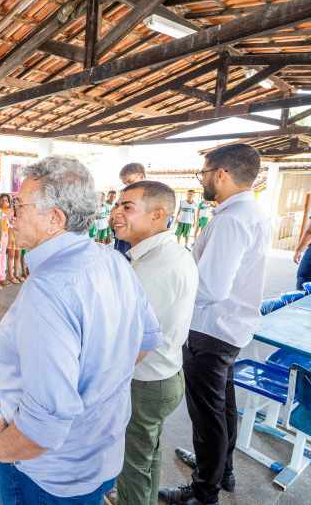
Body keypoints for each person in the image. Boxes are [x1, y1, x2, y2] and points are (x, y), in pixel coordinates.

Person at [0, 156, 162, 505]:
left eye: (19, 206)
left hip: (49, 476)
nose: (11, 215)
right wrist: (99, 385)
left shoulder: (48, 289)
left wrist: (1, 447)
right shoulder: (112, 260)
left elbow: (42, 428)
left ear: (55, 219)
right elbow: (146, 340)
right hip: (104, 454)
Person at [160, 143, 270, 505]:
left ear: (220, 174)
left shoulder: (232, 219)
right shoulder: (248, 212)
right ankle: (220, 469)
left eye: (204, 173)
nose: (203, 180)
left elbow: (210, 287)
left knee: (207, 415)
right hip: (228, 328)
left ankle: (203, 491)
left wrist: (172, 283)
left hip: (211, 329)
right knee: (222, 406)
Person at [111, 181, 199, 505]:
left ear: (158, 215)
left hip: (146, 381)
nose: (116, 213)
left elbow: (135, 344)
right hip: (164, 373)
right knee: (147, 454)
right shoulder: (168, 253)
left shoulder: (155, 267)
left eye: (127, 207)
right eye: (118, 205)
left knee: (132, 463)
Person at [0, 194, 13, 287]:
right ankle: (1, 277)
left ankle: (3, 275)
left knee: (3, 256)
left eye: (6, 200)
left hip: (6, 234)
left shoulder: (9, 211)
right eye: (2, 200)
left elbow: (10, 224)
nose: (4, 202)